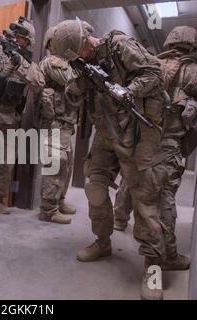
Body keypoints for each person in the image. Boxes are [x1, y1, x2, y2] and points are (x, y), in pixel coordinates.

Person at [51, 19, 168, 300]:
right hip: (105, 134)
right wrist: (78, 84)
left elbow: (155, 74)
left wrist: (127, 90)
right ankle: (102, 242)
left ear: (85, 42)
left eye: (78, 52)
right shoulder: (81, 64)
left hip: (136, 134)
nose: (78, 58)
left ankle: (153, 266)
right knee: (95, 188)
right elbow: (71, 96)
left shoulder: (120, 47)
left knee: (145, 198)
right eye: (73, 57)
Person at [112, 26, 197, 272]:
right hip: (169, 144)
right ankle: (164, 255)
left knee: (133, 180)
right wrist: (192, 104)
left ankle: (120, 219)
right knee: (164, 197)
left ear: (169, 42)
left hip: (142, 138)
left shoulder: (152, 63)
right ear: (192, 44)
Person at [0, 17, 45, 215]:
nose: (16, 39)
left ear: (28, 41)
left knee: (7, 162)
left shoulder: (29, 64)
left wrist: (19, 63)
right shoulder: (0, 50)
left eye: (21, 37)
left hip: (9, 119)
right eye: (15, 34)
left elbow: (38, 83)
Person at [36, 26, 84, 224]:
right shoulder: (51, 62)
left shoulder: (66, 62)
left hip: (65, 123)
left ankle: (59, 200)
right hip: (54, 123)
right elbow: (71, 81)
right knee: (56, 164)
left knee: (66, 165)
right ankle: (48, 210)